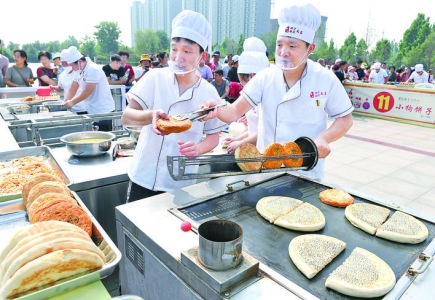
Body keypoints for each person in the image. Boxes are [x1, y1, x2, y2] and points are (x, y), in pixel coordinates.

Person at [201, 3, 353, 180]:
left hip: (307, 173)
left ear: (310, 49)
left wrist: (325, 137)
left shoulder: (325, 79)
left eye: (292, 46)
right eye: (279, 45)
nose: (283, 52)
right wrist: (217, 107)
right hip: (267, 170)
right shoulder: (265, 77)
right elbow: (234, 110)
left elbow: (345, 119)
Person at [120, 10, 226, 202]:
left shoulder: (208, 93)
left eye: (187, 51)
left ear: (202, 56)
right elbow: (126, 117)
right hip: (144, 177)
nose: (178, 57)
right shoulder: (154, 77)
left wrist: (199, 149)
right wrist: (150, 116)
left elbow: (213, 136)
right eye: (174, 49)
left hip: (180, 183)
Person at [223, 37, 269, 154]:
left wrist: (240, 143)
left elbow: (265, 132)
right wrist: (236, 139)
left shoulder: (266, 98)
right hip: (254, 151)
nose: (244, 87)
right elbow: (253, 130)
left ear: (252, 76)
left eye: (243, 81)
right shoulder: (251, 96)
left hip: (266, 152)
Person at [63, 46, 115, 131]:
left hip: (102, 110)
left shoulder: (93, 69)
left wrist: (72, 102)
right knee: (94, 136)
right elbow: (73, 87)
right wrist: (65, 102)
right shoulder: (78, 70)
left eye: (72, 66)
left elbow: (87, 91)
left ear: (79, 62)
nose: (72, 68)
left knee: (103, 139)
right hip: (91, 109)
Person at [52, 48, 87, 113]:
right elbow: (64, 88)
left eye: (67, 63)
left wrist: (72, 102)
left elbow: (87, 91)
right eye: (63, 63)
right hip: (69, 109)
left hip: (83, 108)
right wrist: (55, 88)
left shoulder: (81, 72)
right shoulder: (62, 75)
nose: (65, 65)